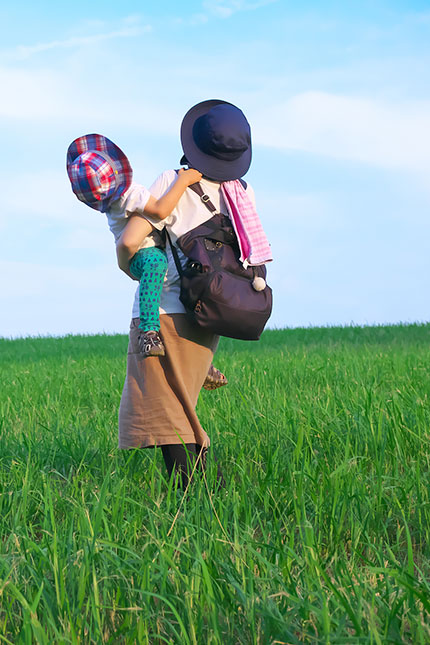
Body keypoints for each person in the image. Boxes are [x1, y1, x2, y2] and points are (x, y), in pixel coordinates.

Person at [117, 100, 260, 488]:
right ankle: (200, 499)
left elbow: (131, 241)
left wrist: (124, 260)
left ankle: (191, 501)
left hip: (163, 313)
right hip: (209, 314)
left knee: (168, 417)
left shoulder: (173, 181)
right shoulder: (239, 194)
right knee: (182, 409)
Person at [66, 134, 202, 357]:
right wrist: (183, 180)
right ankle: (148, 331)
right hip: (144, 254)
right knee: (159, 264)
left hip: (137, 256)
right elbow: (160, 210)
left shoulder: (109, 203)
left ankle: (199, 361)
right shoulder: (130, 194)